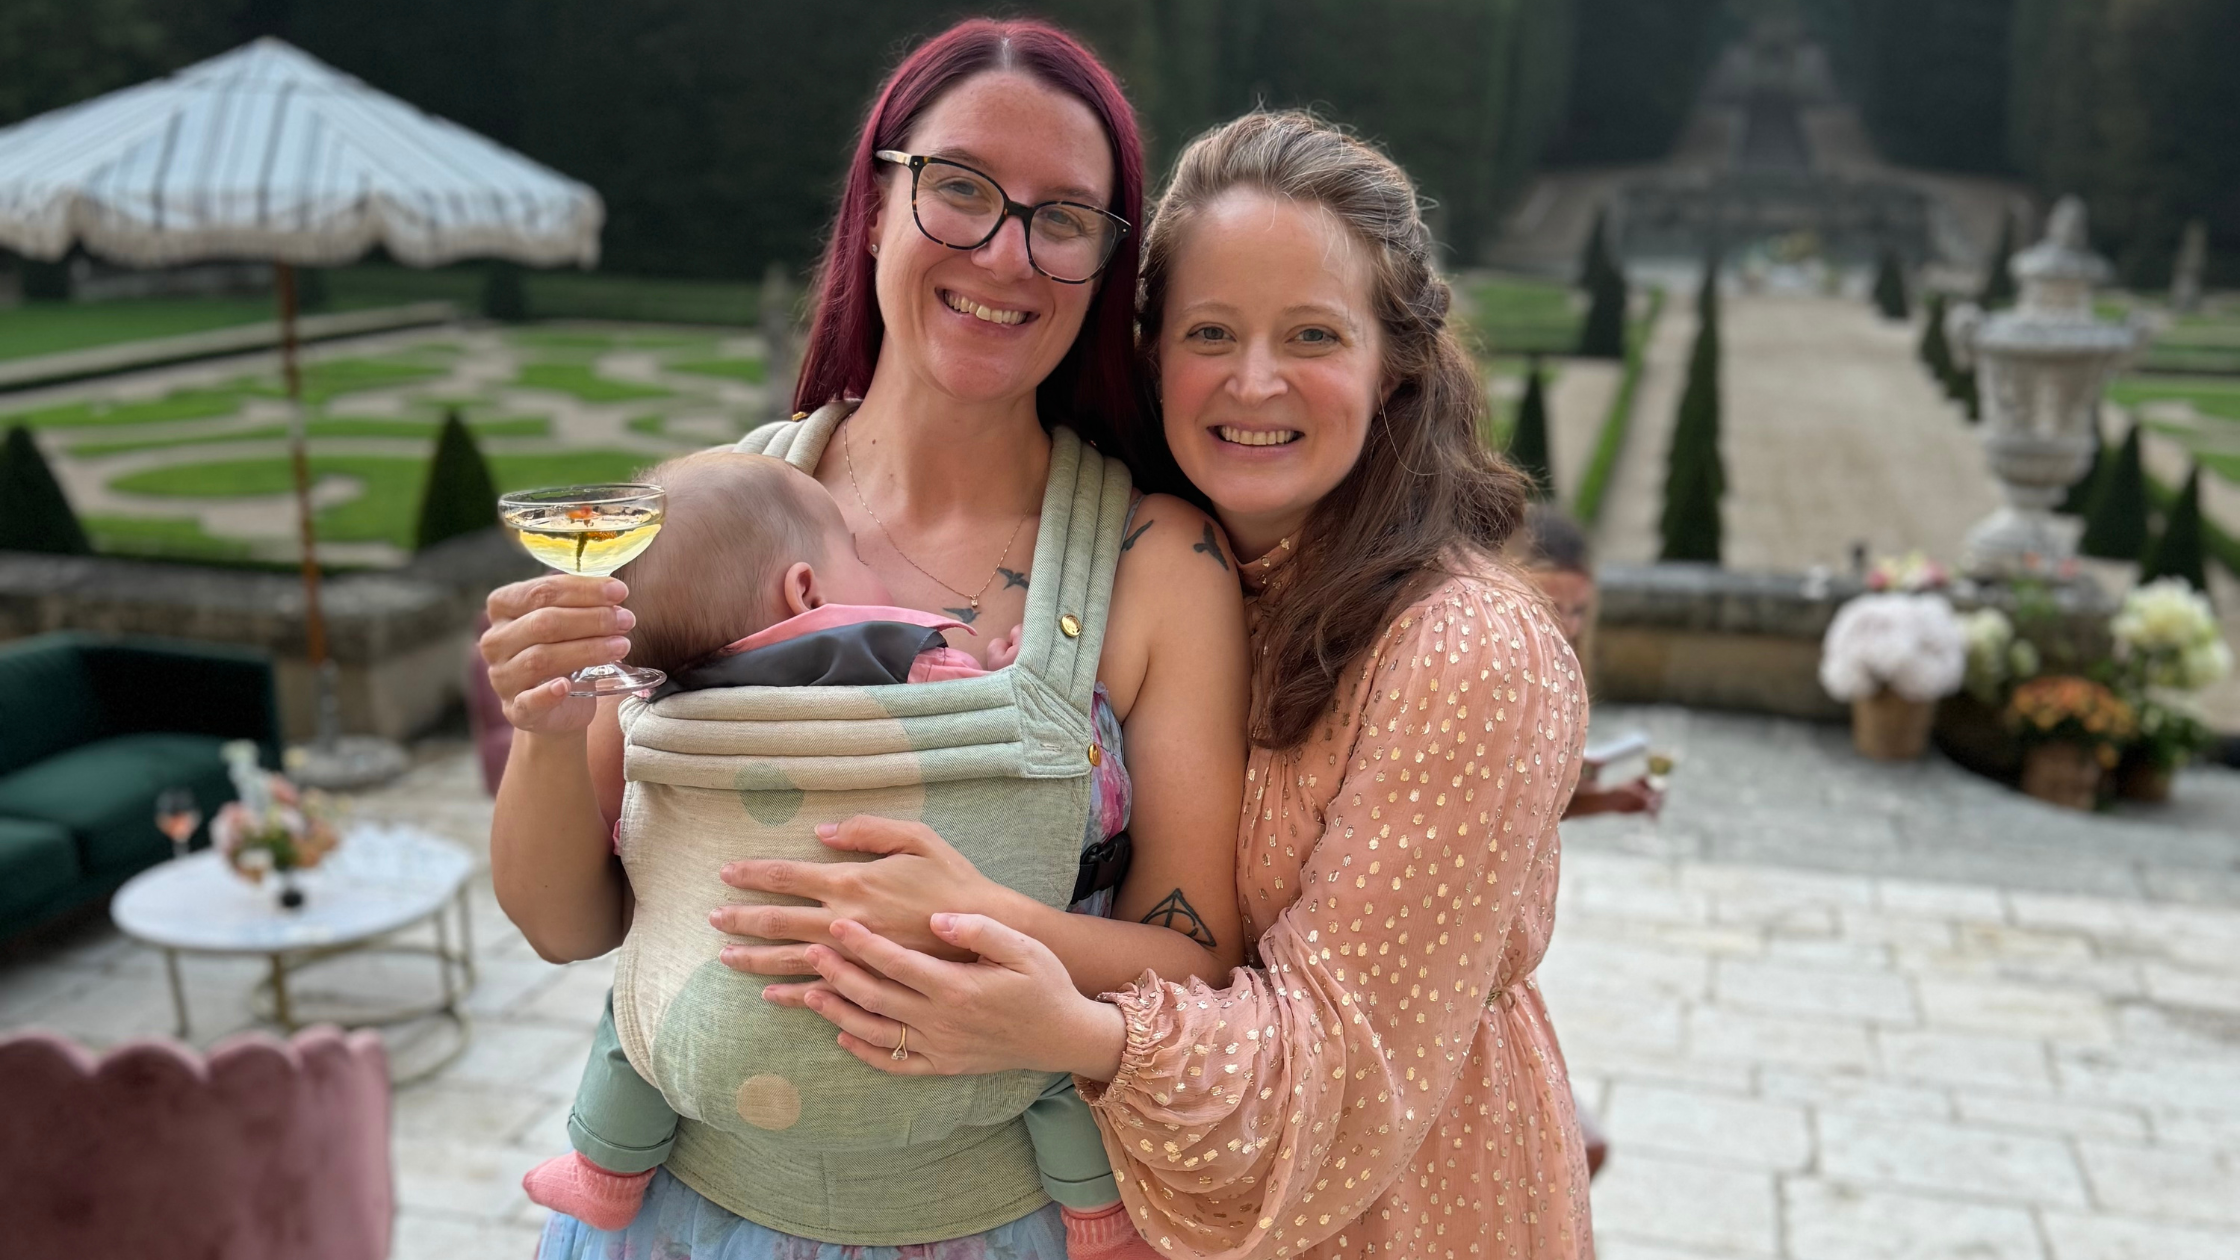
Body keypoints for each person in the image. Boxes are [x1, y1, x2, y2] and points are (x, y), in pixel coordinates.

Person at [730, 111, 1597, 1259]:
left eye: (1311, 335)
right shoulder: (1135, 569)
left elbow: (1341, 1076)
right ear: (1149, 356)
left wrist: (1072, 1028)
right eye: (1209, 332)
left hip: (1395, 1207)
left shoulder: (1464, 651)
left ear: (1393, 364)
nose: (1253, 381)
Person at [481, 19, 1250, 1259]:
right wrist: (544, 728)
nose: (1005, 252)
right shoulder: (711, 517)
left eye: (1062, 218)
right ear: (877, 205)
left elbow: (1196, 957)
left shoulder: (1159, 562)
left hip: (1000, 1225)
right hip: (688, 1221)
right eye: (960, 188)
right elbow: (567, 926)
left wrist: (978, 924)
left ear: (1105, 265)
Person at [1516, 504, 1661, 820]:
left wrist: (1609, 799)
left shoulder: (1564, 673)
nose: (1569, 627)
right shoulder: (1485, 673)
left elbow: (1535, 812)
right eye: (1551, 607)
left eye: (1579, 611)